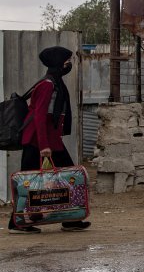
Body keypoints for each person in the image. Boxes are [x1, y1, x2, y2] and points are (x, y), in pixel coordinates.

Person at [8, 46, 91, 234]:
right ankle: (17, 223)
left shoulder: (55, 82)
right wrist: (44, 146)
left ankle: (72, 219)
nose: (68, 64)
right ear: (57, 63)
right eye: (66, 61)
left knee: (69, 177)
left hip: (50, 140)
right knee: (26, 182)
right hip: (37, 141)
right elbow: (39, 116)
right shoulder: (47, 84)